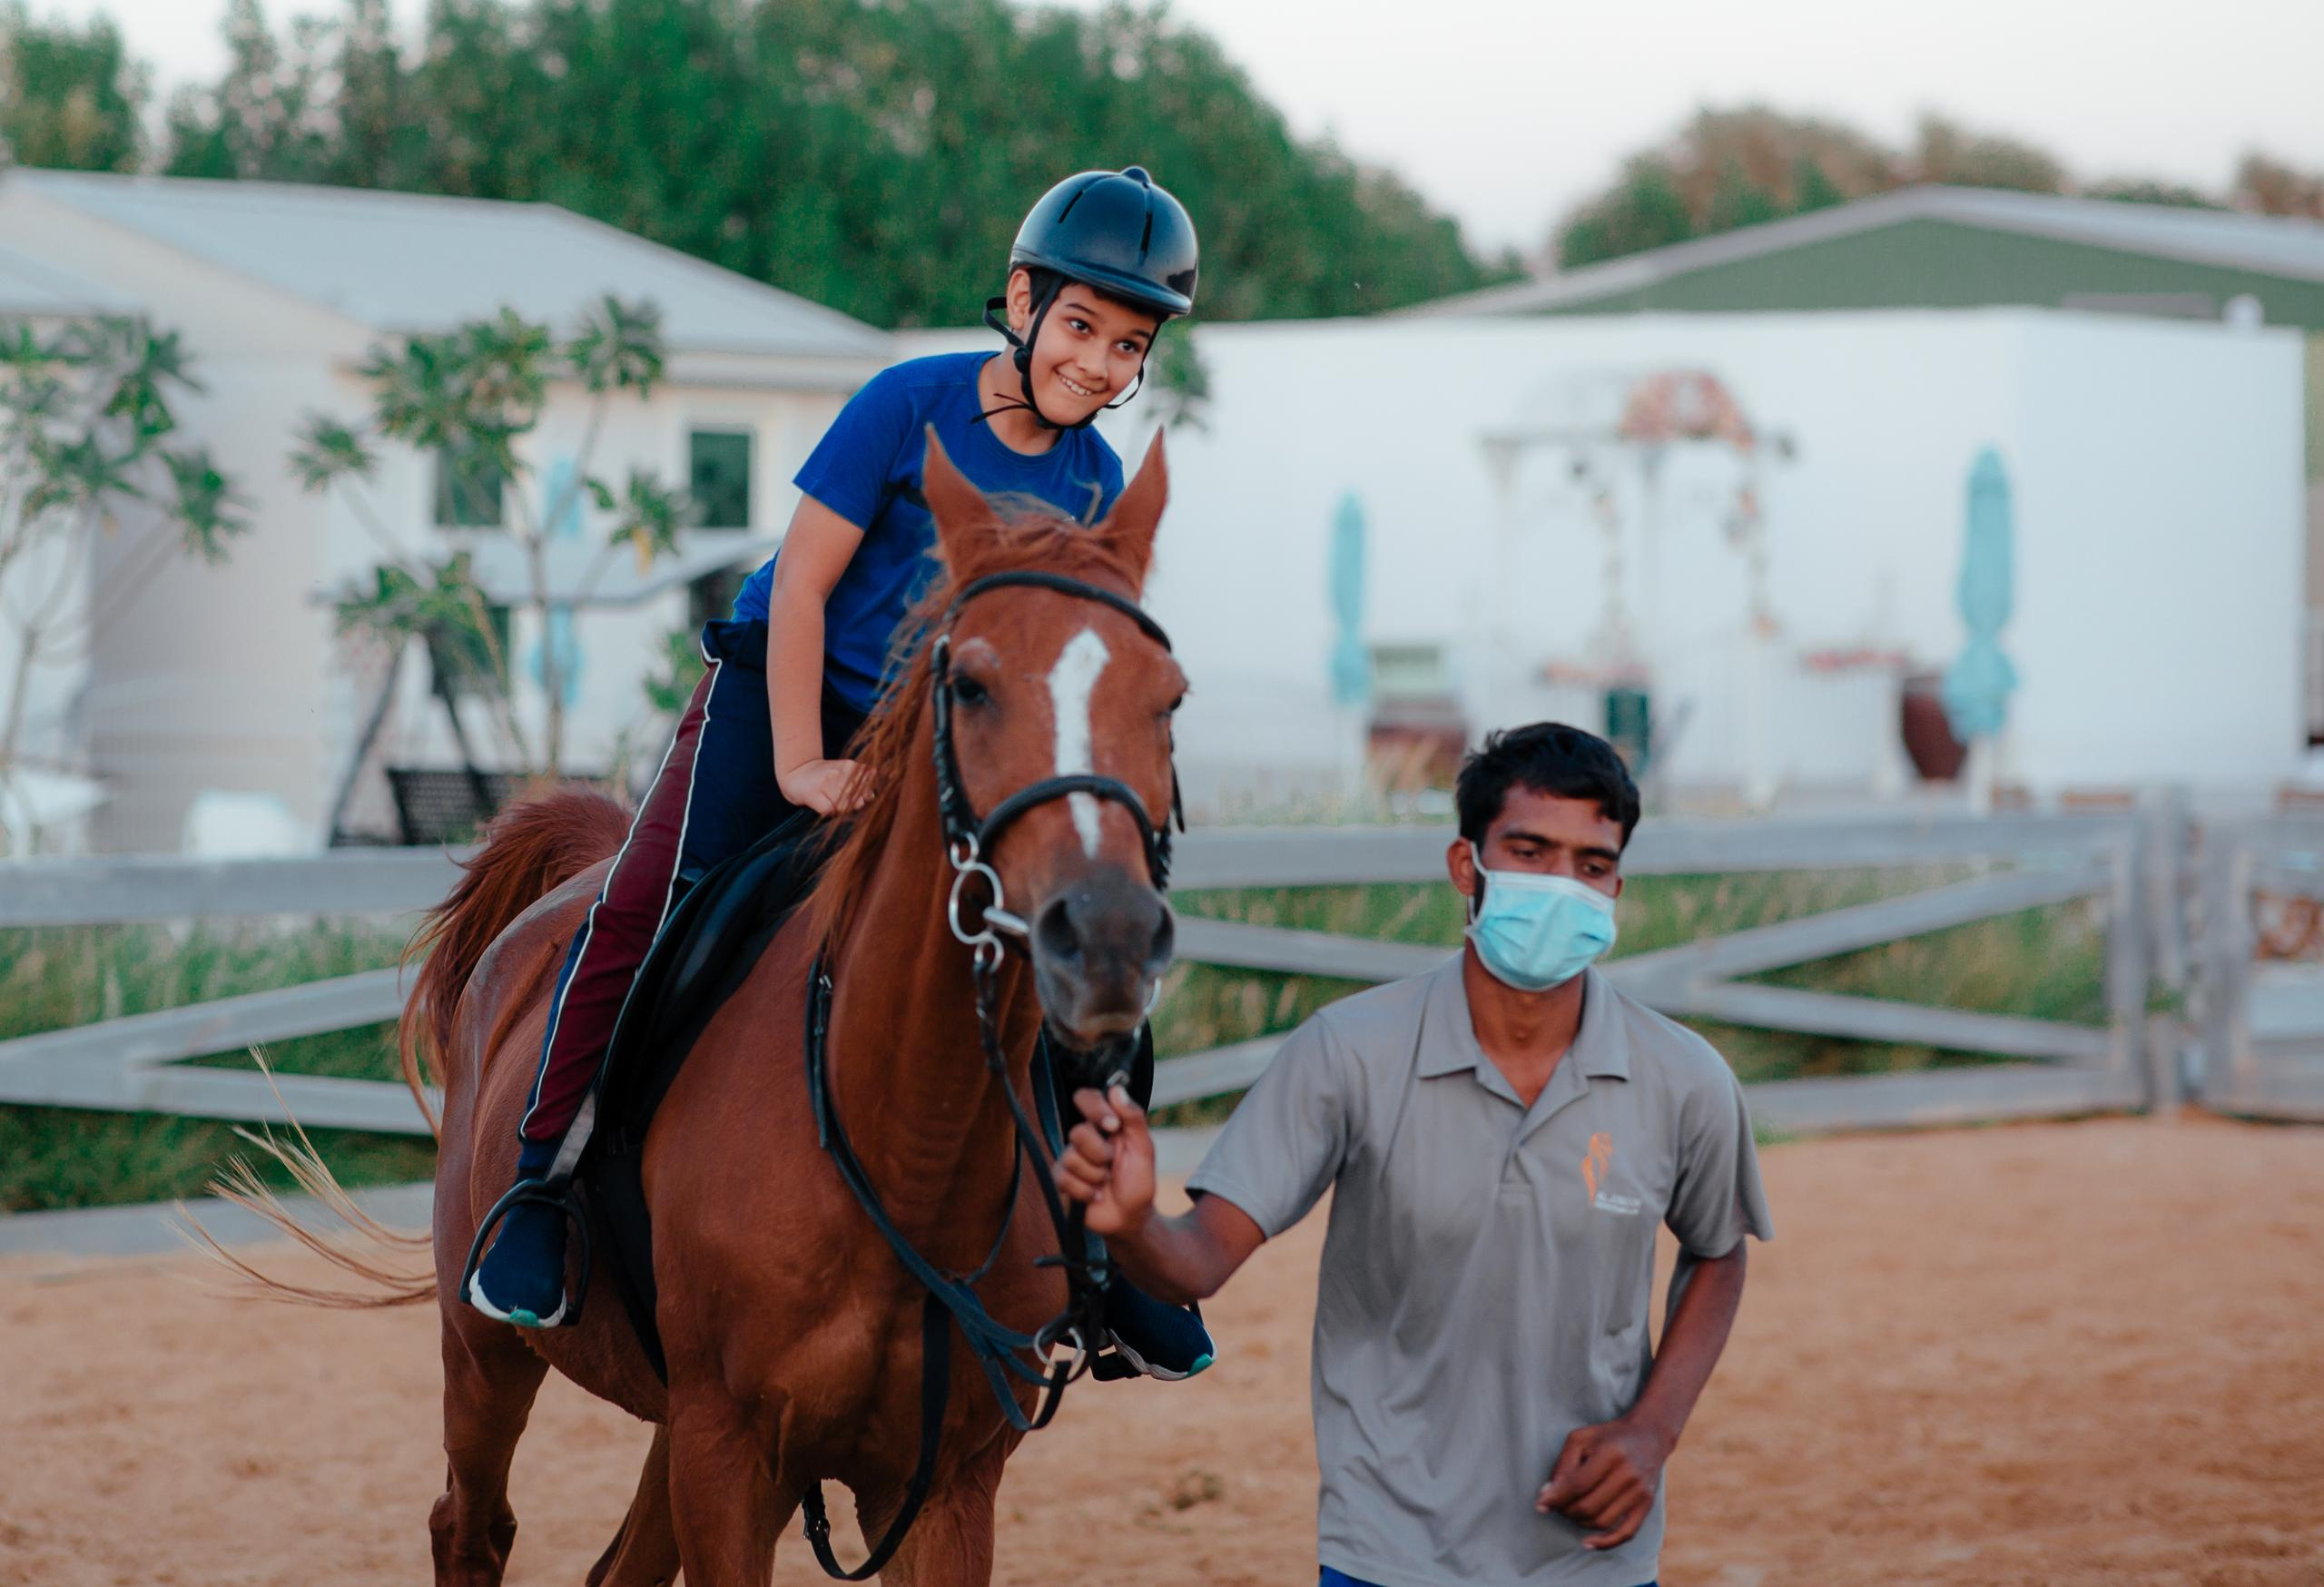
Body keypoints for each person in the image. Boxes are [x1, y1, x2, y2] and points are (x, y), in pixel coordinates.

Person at [466, 168, 1216, 1385]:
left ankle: (1097, 1253)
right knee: (647, 902)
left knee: (1055, 950)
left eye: (1129, 346)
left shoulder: (1088, 477)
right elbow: (806, 584)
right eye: (1082, 328)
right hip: (786, 691)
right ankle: (541, 1186)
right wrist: (803, 759)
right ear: (1022, 301)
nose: (1098, 366)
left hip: (944, 736)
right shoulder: (900, 404)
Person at [1054, 723, 1775, 1586]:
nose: (1562, 886)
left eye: (1592, 865)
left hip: (1594, 1559)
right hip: (1387, 1553)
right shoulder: (1349, 1053)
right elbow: (1197, 1261)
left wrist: (1654, 1430)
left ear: (1617, 884)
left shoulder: (1684, 1077)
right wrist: (1133, 1223)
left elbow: (1718, 1251)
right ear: (1467, 868)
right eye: (1531, 851)